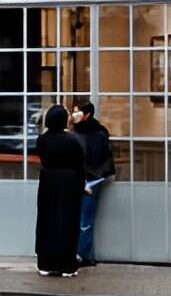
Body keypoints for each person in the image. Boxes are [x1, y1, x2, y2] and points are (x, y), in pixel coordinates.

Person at [34, 104, 85, 277]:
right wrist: (81, 186)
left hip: (48, 183)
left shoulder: (42, 140)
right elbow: (80, 165)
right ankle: (66, 264)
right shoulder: (72, 140)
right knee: (67, 222)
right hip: (69, 184)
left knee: (47, 222)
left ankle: (45, 263)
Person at [71, 101, 116, 267]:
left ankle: (82, 254)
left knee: (85, 219)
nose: (74, 115)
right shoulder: (76, 131)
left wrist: (88, 180)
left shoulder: (97, 133)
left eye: (77, 112)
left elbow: (98, 158)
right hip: (79, 179)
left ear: (87, 114)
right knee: (79, 218)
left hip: (90, 179)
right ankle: (78, 253)